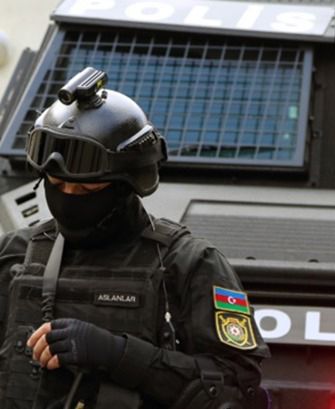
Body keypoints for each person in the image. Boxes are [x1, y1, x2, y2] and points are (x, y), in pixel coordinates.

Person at [0, 67, 270, 409]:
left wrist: (118, 354)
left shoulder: (187, 263)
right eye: (56, 184)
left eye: (87, 188)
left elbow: (237, 391)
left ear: (128, 184)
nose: (69, 197)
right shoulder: (16, 254)